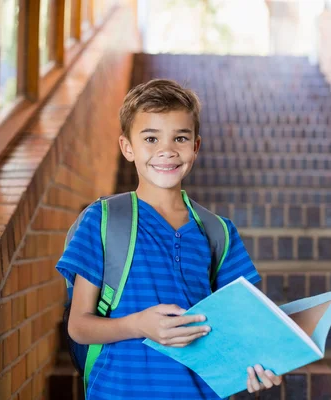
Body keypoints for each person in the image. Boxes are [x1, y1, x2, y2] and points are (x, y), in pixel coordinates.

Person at [56, 79, 282, 399]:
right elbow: (79, 326)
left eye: (180, 137)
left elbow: (238, 328)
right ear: (127, 147)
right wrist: (138, 325)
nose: (167, 150)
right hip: (117, 391)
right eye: (151, 138)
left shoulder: (218, 231)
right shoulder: (103, 220)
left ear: (195, 146)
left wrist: (256, 365)